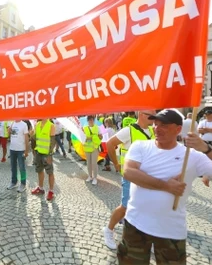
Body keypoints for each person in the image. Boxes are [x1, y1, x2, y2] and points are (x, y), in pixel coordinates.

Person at [117, 109, 212, 264]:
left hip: (170, 230)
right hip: (135, 225)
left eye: (164, 125)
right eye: (155, 123)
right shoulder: (140, 146)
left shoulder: (192, 156)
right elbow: (128, 172)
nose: (157, 128)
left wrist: (207, 149)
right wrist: (165, 186)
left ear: (178, 129)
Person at [103, 110, 156, 250]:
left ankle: (144, 238)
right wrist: (116, 163)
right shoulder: (128, 130)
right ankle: (108, 230)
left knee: (145, 206)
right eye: (151, 115)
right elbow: (109, 144)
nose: (154, 118)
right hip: (130, 176)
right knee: (125, 205)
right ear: (141, 114)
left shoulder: (152, 130)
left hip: (146, 176)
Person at [31, 118, 56, 200]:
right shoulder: (37, 124)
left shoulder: (51, 125)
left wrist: (50, 153)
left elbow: (52, 141)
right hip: (38, 152)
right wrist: (31, 135)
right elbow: (35, 138)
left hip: (47, 154)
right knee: (39, 170)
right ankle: (40, 188)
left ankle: (51, 191)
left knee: (50, 172)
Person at [7, 120, 29, 192]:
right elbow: (10, 135)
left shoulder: (24, 124)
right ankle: (14, 182)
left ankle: (23, 184)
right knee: (13, 167)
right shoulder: (11, 123)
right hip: (12, 148)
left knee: (22, 167)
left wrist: (26, 150)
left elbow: (26, 138)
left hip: (21, 149)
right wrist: (9, 131)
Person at [84, 115, 102, 185]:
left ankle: (95, 178)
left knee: (94, 163)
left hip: (95, 147)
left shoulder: (98, 127)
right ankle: (90, 176)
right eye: (89, 120)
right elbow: (82, 138)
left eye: (92, 120)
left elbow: (101, 137)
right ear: (88, 121)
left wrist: (94, 137)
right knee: (88, 163)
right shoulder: (84, 128)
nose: (91, 121)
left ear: (94, 120)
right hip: (87, 148)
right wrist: (88, 138)